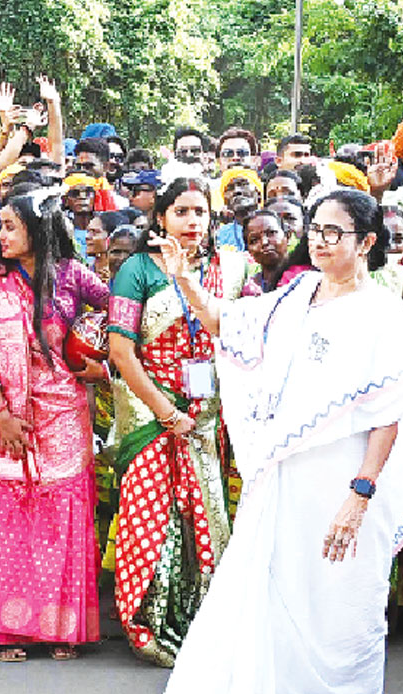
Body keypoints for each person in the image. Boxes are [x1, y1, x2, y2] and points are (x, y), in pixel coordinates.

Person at [137, 187, 403, 694]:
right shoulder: (295, 294)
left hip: (347, 478)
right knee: (269, 599)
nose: (321, 241)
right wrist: (183, 280)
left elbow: (391, 411)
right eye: (317, 230)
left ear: (367, 243)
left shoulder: (382, 311)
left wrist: (361, 492)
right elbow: (230, 326)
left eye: (336, 233)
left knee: (342, 602)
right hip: (283, 477)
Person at [0, 188, 108, 662]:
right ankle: (4, 631)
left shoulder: (70, 276)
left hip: (63, 405)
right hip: (5, 408)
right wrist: (1, 411)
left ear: (37, 229)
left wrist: (100, 361)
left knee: (58, 512)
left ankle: (58, 628)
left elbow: (122, 313)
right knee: (4, 509)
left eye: (9, 226)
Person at [107, 176, 246, 666]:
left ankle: (206, 624)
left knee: (207, 518)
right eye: (181, 212)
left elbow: (243, 332)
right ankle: (148, 628)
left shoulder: (227, 268)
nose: (191, 222)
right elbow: (121, 351)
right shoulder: (138, 270)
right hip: (151, 410)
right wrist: (166, 412)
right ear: (161, 218)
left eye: (200, 212)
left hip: (207, 413)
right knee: (151, 518)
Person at [240, 208, 311, 297]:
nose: (264, 242)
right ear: (249, 250)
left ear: (287, 236)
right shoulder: (250, 289)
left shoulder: (305, 279)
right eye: (254, 240)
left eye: (271, 233)